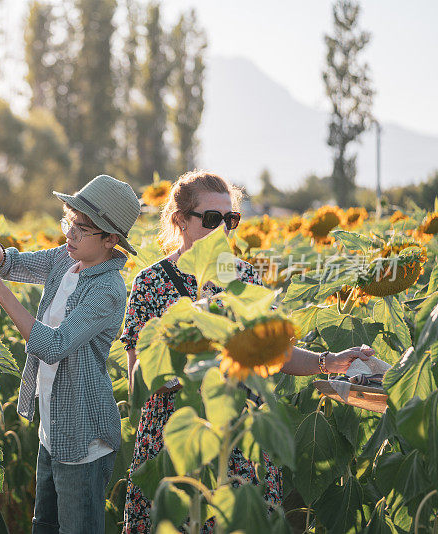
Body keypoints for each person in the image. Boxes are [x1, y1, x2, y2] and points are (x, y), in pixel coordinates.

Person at [121, 170, 373, 533]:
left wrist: (327, 361)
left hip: (240, 441)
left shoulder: (245, 278)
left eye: (230, 219)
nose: (222, 228)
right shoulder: (149, 283)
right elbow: (137, 381)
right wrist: (187, 350)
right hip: (177, 444)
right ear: (180, 221)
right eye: (211, 219)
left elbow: (275, 353)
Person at [0, 174, 142, 534]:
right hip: (53, 425)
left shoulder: (107, 289)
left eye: (82, 228)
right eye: (69, 222)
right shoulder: (67, 259)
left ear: (111, 240)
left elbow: (54, 346)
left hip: (82, 436)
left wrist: (2, 294)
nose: (70, 234)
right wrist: (1, 257)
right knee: (44, 525)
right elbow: (24, 264)